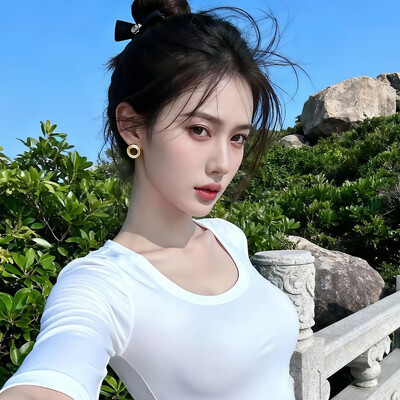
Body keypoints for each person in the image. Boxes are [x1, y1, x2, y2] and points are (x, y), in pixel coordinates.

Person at [0, 0, 300, 399]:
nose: (223, 164)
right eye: (199, 130)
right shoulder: (103, 285)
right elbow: (53, 373)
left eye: (237, 137)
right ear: (132, 126)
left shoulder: (227, 237)